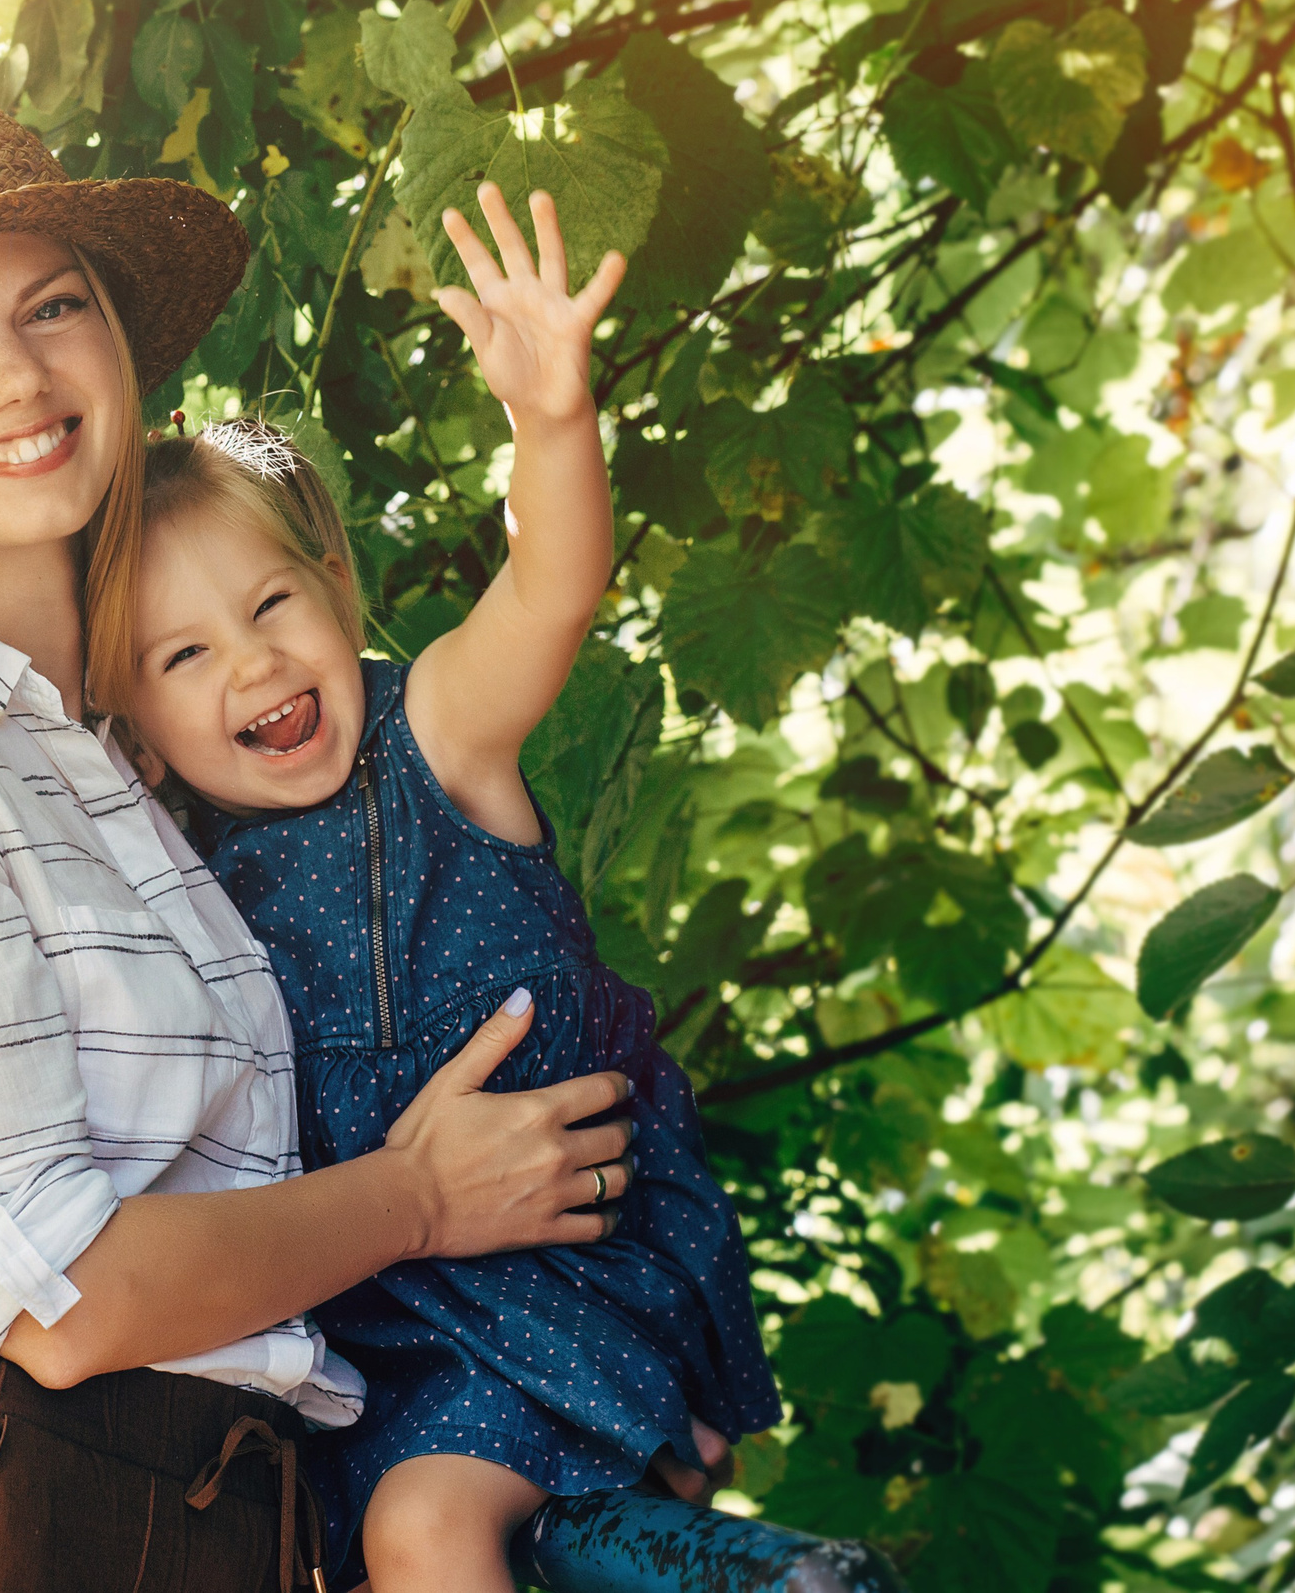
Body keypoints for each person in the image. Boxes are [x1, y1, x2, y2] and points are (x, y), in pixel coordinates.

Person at [0, 92, 640, 1593]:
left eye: (52, 306)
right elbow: (58, 1294)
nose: (14, 371)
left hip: (194, 1525)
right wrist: (424, 1197)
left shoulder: (126, 771)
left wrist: (592, 1355)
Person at [91, 186, 783, 1592]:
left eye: (272, 606)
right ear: (131, 726)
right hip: (365, 1317)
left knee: (424, 1531)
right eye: (183, 658)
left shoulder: (437, 739)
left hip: (550, 1275)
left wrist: (552, 422)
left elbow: (552, 588)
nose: (255, 667)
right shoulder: (176, 873)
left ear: (334, 588)